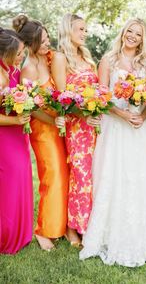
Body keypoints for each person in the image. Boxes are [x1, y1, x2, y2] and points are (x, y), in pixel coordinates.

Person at [79, 18, 146, 267]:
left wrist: (142, 116)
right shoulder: (108, 61)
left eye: (138, 33)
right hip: (116, 127)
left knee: (142, 176)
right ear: (123, 33)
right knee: (117, 176)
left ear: (143, 38)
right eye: (129, 31)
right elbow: (101, 97)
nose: (132, 36)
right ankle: (111, 233)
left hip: (140, 128)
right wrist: (124, 114)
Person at [13, 14, 69, 251]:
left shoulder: (47, 59)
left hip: (57, 126)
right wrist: (54, 121)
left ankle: (61, 225)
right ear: (31, 44)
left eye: (47, 38)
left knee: (63, 174)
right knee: (52, 176)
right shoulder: (28, 70)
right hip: (43, 130)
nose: (48, 43)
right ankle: (44, 230)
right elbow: (32, 109)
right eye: (43, 40)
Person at [51, 13, 100, 246]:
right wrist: (85, 113)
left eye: (85, 30)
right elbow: (62, 99)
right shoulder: (60, 58)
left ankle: (91, 225)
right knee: (80, 176)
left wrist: (97, 110)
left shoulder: (87, 58)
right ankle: (73, 227)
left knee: (95, 175)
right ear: (68, 30)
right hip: (77, 127)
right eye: (80, 29)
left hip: (96, 127)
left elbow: (98, 91)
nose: (85, 33)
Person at [0, 27, 33, 254]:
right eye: (20, 52)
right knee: (9, 183)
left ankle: (21, 232)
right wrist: (15, 121)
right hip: (4, 136)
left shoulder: (13, 70)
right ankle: (6, 235)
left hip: (19, 135)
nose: (22, 55)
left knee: (22, 177)